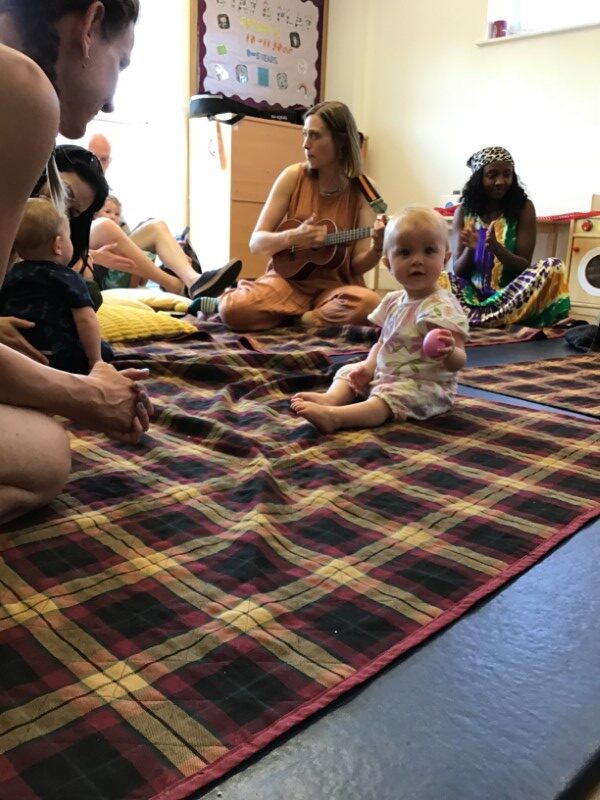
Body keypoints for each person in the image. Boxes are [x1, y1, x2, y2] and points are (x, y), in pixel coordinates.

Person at [0, 0, 153, 524]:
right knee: (44, 454)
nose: (111, 100)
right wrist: (88, 396)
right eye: (122, 64)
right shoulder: (21, 87)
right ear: (89, 27)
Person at [291, 209, 469, 433]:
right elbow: (384, 342)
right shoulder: (393, 301)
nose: (417, 261)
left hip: (425, 386)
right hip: (386, 374)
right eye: (405, 252)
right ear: (388, 264)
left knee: (386, 400)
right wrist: (367, 367)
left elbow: (459, 360)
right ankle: (331, 399)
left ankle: (336, 417)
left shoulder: (442, 307)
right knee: (349, 370)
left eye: (429, 251)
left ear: (445, 258)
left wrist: (450, 352)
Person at [219, 100, 386, 331]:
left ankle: (300, 318)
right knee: (232, 309)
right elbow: (256, 243)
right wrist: (292, 238)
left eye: (315, 136)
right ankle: (311, 317)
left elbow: (356, 265)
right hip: (287, 282)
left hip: (335, 288)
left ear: (341, 142)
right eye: (305, 134)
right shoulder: (292, 176)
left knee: (370, 305)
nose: (306, 145)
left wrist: (377, 249)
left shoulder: (364, 190)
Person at [87, 133, 242, 297]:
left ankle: (193, 280)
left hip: (114, 261)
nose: (98, 164)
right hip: (88, 257)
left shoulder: (109, 195)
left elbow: (124, 240)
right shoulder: (73, 184)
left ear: (109, 162)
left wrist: (176, 255)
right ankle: (175, 285)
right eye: (93, 157)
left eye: (103, 159)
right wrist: (92, 255)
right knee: (105, 225)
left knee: (156, 226)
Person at [450, 146, 570, 328]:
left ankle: (482, 319)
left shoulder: (524, 208)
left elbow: (524, 265)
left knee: (553, 267)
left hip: (512, 297)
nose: (500, 181)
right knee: (440, 278)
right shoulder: (463, 212)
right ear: (478, 179)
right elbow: (458, 271)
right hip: (471, 299)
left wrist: (498, 249)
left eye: (507, 174)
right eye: (492, 175)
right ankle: (493, 318)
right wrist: (470, 249)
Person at [0, 198, 113, 374]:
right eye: (69, 237)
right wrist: (95, 359)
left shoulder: (12, 274)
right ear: (58, 244)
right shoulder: (68, 277)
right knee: (106, 350)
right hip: (60, 355)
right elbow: (86, 320)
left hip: (18, 354)